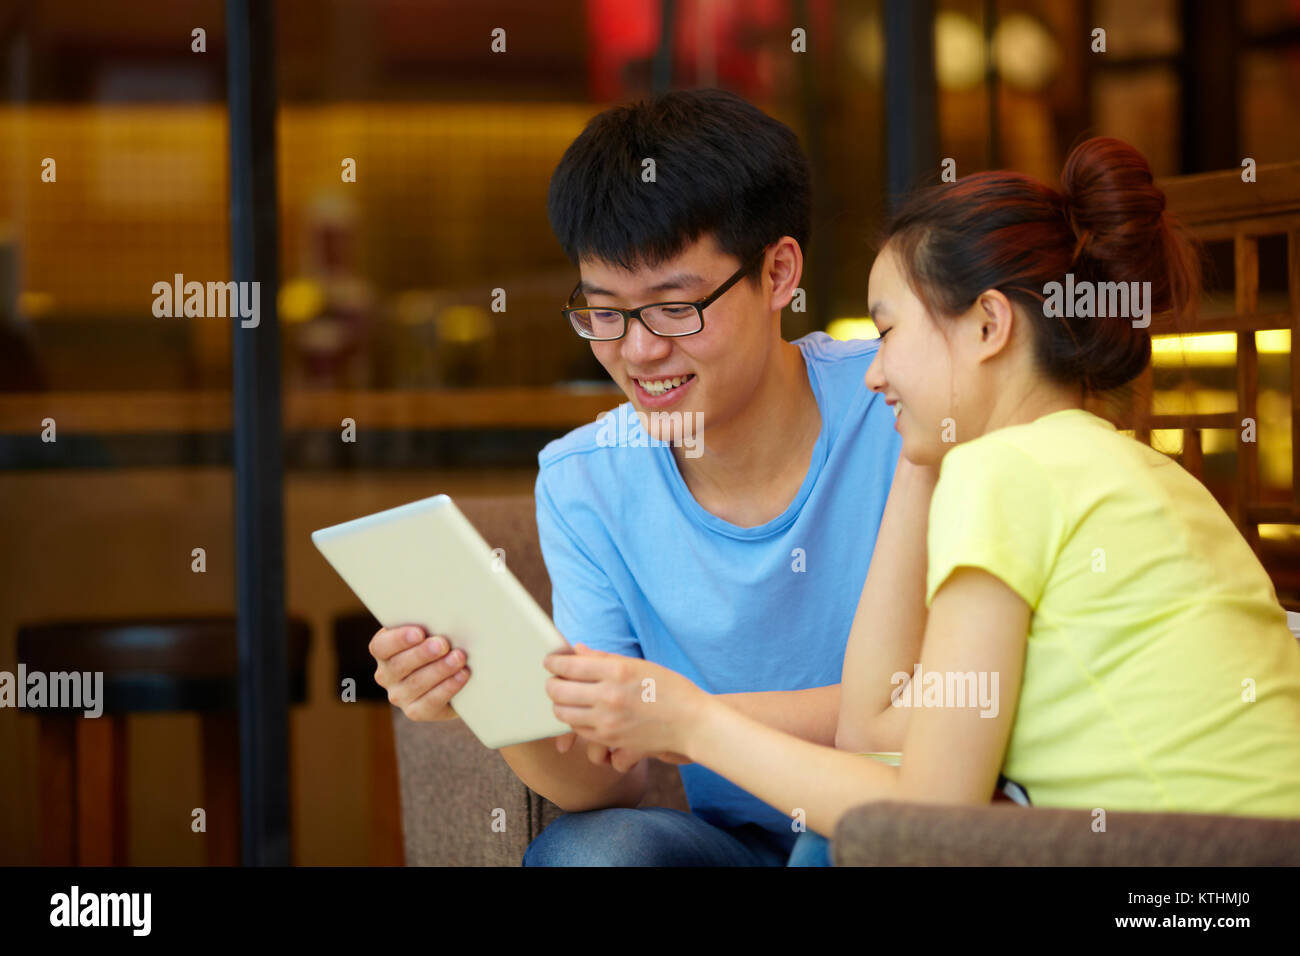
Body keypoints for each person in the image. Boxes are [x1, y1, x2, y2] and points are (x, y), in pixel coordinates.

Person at [543, 136, 1300, 867]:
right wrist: (922, 451)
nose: (873, 374)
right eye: (607, 311)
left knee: (858, 848)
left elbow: (931, 815)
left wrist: (694, 721)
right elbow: (876, 723)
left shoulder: (1003, 475)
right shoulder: (1136, 471)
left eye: (888, 330)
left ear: (988, 324)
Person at [368, 88, 907, 865]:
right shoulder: (586, 481)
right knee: (595, 852)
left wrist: (686, 717)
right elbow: (608, 784)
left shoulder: (898, 410)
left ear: (779, 272)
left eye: (674, 307)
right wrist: (487, 695)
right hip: (731, 846)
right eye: (605, 312)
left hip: (895, 822)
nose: (639, 351)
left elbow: (944, 705)